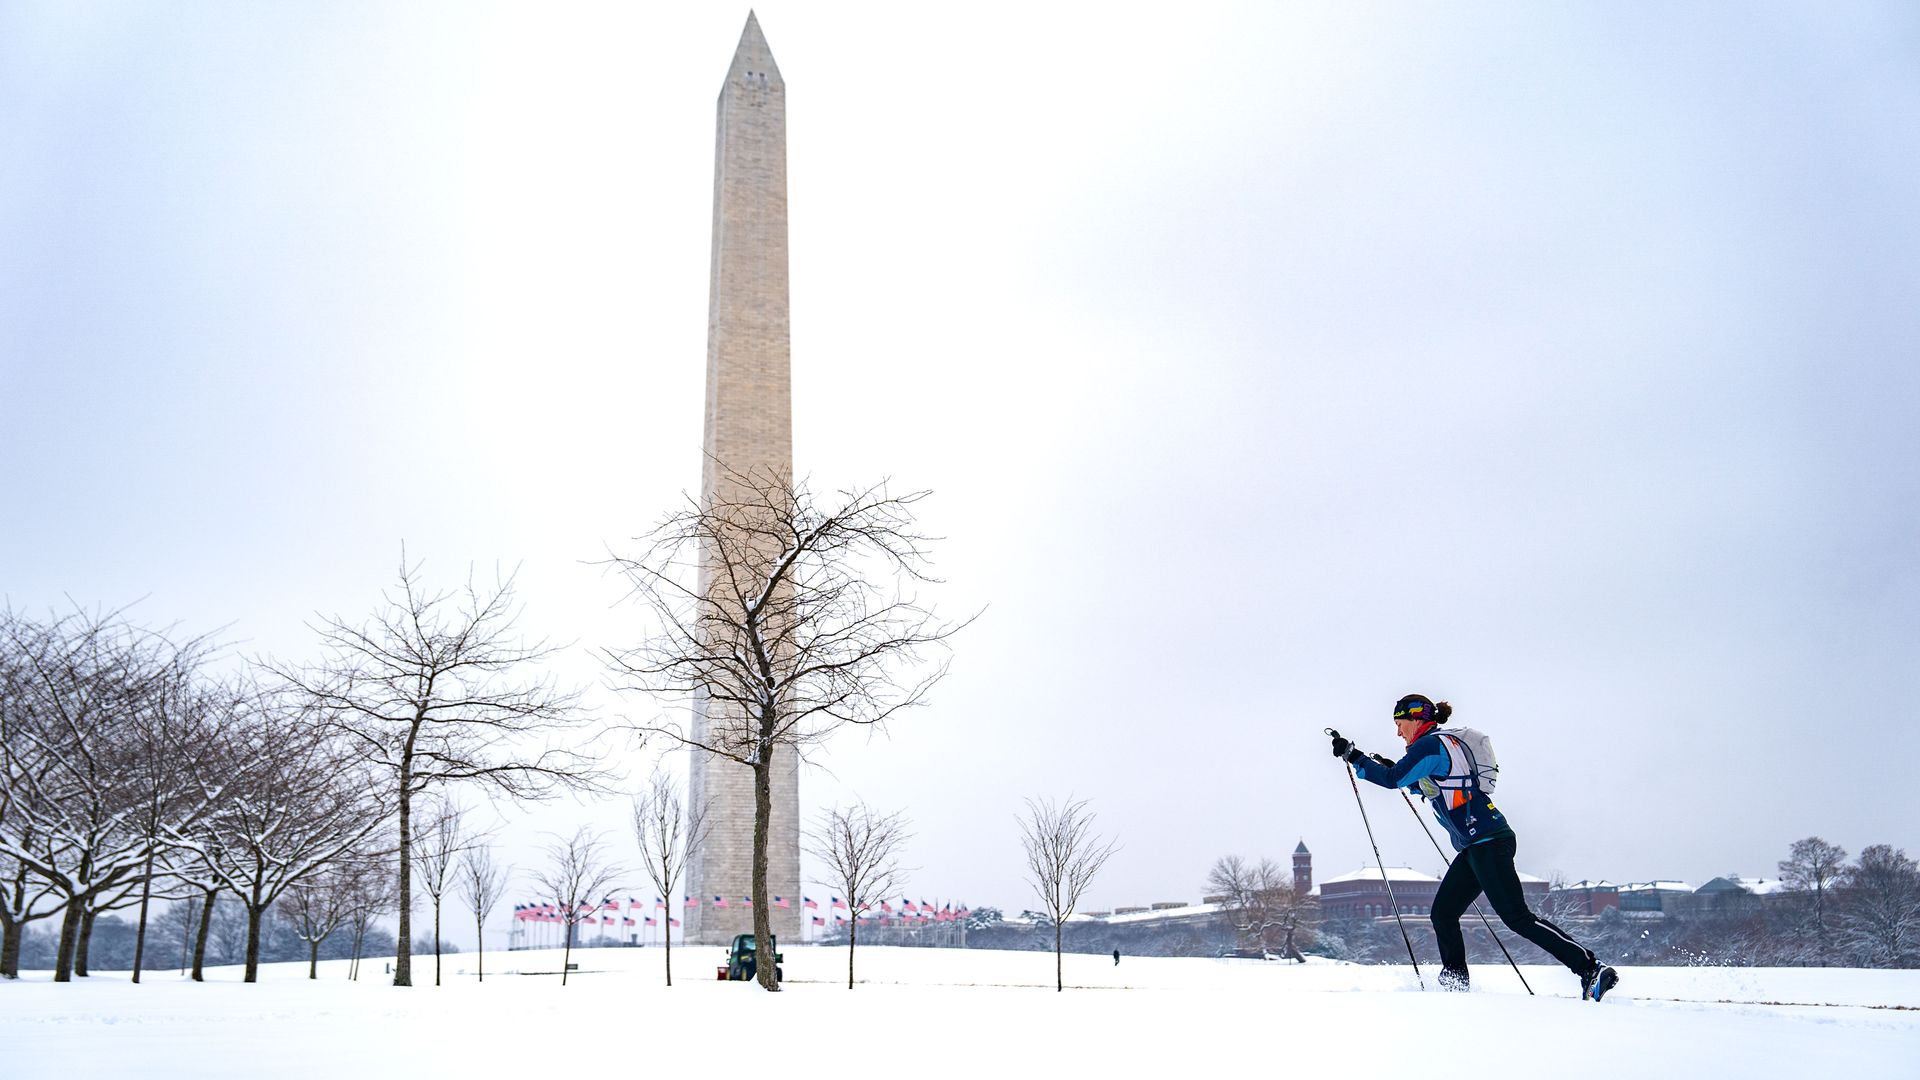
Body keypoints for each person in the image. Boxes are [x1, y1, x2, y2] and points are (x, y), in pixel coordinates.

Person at [1330, 693, 1619, 1002]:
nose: (1398, 732)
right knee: (1443, 913)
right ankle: (1456, 986)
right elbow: (1430, 784)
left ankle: (1591, 968)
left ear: (1416, 720)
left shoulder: (1431, 745)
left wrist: (1354, 756)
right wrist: (1400, 775)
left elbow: (1392, 779)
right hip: (1476, 845)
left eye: (1400, 724)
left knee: (1517, 917)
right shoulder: (1439, 746)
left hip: (1489, 842)